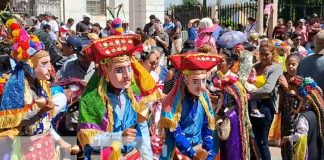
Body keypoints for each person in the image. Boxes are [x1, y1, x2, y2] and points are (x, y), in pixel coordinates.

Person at [78, 34, 161, 159]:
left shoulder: (134, 94)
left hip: (132, 155)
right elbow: (91, 140)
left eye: (129, 68)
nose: (127, 75)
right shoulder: (91, 100)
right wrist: (119, 137)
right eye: (119, 70)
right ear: (106, 71)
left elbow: (142, 131)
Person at [0, 18, 71, 159]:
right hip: (28, 151)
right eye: (44, 64)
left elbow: (45, 123)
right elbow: (15, 123)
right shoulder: (17, 88)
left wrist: (60, 141)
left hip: (48, 148)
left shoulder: (41, 85)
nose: (50, 69)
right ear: (29, 66)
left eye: (49, 63)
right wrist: (39, 111)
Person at [160, 53, 222, 160]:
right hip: (177, 149)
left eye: (203, 81)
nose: (201, 87)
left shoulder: (203, 98)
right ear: (185, 80)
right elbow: (176, 131)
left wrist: (209, 150)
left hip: (198, 147)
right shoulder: (176, 101)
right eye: (195, 81)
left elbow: (206, 126)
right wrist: (190, 152)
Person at [249, 40, 283, 160]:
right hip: (251, 106)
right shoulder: (255, 66)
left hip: (265, 107)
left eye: (267, 54)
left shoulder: (276, 67)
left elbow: (268, 89)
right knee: (252, 140)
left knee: (262, 141)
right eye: (261, 53)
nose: (263, 57)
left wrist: (250, 94)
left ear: (273, 54)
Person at [281, 76, 324, 160]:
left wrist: (287, 138)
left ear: (305, 101)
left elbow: (300, 136)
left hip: (308, 155)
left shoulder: (304, 118)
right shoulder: (317, 115)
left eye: (297, 98)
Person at [277, 53, 301, 160]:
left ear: (298, 65)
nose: (290, 66)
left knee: (292, 142)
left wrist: (286, 87)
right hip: (284, 114)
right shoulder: (282, 76)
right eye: (288, 64)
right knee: (284, 143)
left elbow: (299, 98)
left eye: (293, 64)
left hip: (295, 115)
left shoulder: (300, 80)